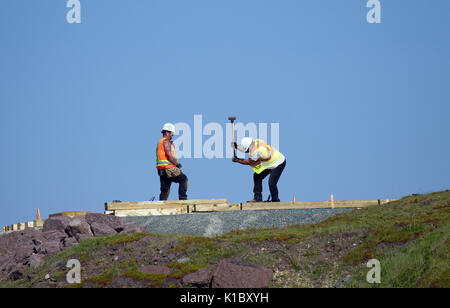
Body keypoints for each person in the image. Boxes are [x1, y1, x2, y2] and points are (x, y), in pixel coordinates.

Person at [232, 137, 286, 202]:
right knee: (257, 176)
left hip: (279, 163)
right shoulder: (256, 141)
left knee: (271, 183)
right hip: (270, 162)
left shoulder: (256, 152)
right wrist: (237, 146)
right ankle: (257, 198)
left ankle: (275, 201)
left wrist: (237, 160)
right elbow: (247, 149)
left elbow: (249, 162)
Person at [156, 123, 188, 200]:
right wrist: (177, 164)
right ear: (167, 132)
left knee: (165, 189)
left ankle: (161, 205)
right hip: (169, 168)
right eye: (171, 133)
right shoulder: (166, 142)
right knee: (183, 179)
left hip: (162, 170)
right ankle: (183, 200)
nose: (172, 135)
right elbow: (169, 156)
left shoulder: (160, 142)